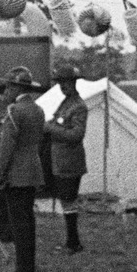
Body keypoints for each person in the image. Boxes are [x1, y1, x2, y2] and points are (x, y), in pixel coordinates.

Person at [0, 66, 45, 272]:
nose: (6, 91)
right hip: (33, 171)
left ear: (15, 88)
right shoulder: (38, 110)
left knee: (19, 222)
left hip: (16, 174)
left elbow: (6, 148)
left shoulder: (14, 111)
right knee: (28, 220)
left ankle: (23, 268)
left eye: (8, 86)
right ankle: (28, 264)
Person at [45, 61, 89, 254]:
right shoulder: (65, 102)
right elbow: (58, 123)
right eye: (60, 83)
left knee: (69, 201)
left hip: (70, 161)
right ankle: (72, 242)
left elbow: (76, 135)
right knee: (66, 201)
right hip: (61, 160)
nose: (63, 86)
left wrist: (50, 128)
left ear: (74, 83)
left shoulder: (78, 106)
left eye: (66, 83)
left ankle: (73, 243)